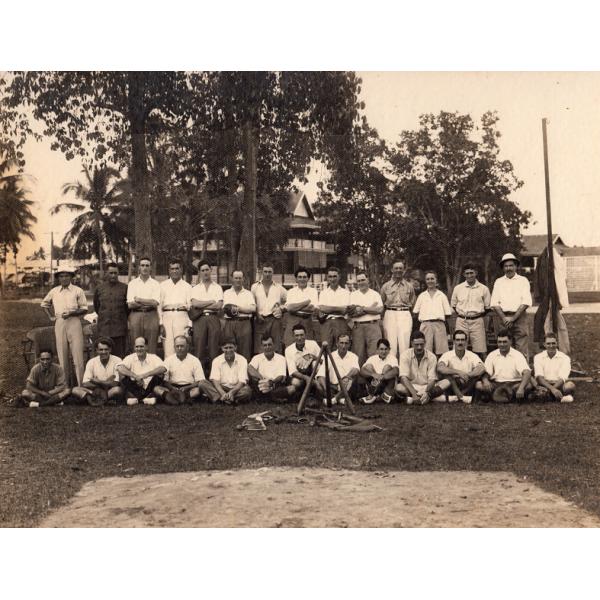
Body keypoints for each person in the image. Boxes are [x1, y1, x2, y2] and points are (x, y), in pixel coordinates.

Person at [41, 267, 88, 386]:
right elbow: (44, 304)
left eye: (67, 276)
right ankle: (65, 386)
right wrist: (51, 317)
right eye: (61, 276)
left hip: (74, 322)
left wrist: (72, 313)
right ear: (58, 278)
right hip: (60, 322)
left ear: (71, 277)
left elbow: (84, 309)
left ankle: (81, 386)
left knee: (77, 356)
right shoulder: (54, 291)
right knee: (62, 355)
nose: (64, 278)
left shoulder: (78, 290)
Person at [490, 253, 532, 361]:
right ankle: (507, 372)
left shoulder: (523, 280)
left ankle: (523, 372)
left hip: (520, 317)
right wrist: (504, 318)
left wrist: (513, 318)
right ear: (503, 268)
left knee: (521, 345)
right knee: (504, 346)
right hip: (503, 318)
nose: (508, 268)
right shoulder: (498, 282)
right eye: (506, 266)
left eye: (511, 265)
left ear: (516, 266)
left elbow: (526, 302)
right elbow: (495, 303)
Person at [154, 335, 220, 404]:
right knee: (156, 389)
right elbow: (165, 381)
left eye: (182, 346)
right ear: (174, 347)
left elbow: (199, 381)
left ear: (187, 347)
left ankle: (173, 399)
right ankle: (182, 399)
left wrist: (187, 387)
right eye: (177, 346)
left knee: (198, 390)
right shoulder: (168, 360)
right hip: (172, 388)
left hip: (189, 388)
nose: (179, 348)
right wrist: (172, 388)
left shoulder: (195, 360)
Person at [477, 329, 533, 403]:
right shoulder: (492, 355)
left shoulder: (518, 355)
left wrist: (521, 388)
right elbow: (486, 372)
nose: (502, 344)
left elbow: (527, 372)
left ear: (510, 342)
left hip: (513, 384)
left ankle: (496, 397)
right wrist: (485, 380)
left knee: (528, 385)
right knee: (479, 385)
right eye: (499, 342)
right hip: (497, 384)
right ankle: (510, 398)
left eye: (504, 342)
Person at [450, 263, 491, 359]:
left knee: (480, 348)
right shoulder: (458, 288)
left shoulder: (483, 289)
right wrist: (463, 315)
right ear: (464, 275)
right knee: (458, 347)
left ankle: (483, 370)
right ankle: (458, 368)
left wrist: (476, 316)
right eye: (467, 273)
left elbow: (487, 307)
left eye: (471, 273)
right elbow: (454, 305)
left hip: (477, 321)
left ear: (476, 273)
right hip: (461, 321)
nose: (469, 275)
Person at [396, 330, 446, 404]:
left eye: (421, 344)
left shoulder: (431, 356)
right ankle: (432, 398)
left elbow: (432, 379)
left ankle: (415, 398)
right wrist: (413, 393)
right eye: (416, 344)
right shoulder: (405, 355)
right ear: (412, 343)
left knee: (446, 382)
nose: (419, 347)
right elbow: (403, 378)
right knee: (399, 387)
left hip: (427, 387)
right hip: (412, 386)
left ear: (425, 343)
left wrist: (426, 392)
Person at [190, 260, 224, 369]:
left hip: (213, 318)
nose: (205, 272)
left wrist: (201, 305)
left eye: (207, 270)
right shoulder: (195, 288)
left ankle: (213, 376)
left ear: (211, 270)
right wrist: (210, 302)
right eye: (202, 270)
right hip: (199, 319)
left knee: (214, 349)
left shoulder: (217, 287)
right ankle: (200, 376)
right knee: (199, 348)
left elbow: (218, 306)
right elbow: (195, 303)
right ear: (199, 272)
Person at [72, 337, 124, 406]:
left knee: (117, 390)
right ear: (96, 350)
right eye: (101, 350)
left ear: (110, 350)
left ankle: (92, 400)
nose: (103, 352)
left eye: (106, 349)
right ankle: (102, 400)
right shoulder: (91, 362)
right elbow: (85, 383)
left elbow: (115, 383)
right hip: (95, 391)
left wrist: (98, 381)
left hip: (109, 391)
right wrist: (106, 383)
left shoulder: (117, 360)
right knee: (75, 390)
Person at [437, 330, 486, 403]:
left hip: (467, 383)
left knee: (478, 381)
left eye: (462, 340)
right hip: (453, 384)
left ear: (466, 342)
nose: (460, 342)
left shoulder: (472, 355)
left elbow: (481, 368)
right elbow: (440, 368)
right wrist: (458, 372)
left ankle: (456, 397)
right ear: (454, 341)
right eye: (457, 340)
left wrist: (468, 375)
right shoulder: (447, 355)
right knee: (447, 378)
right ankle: (463, 397)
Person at [380, 260, 416, 358]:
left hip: (404, 313)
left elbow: (413, 303)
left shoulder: (409, 286)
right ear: (392, 270)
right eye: (396, 268)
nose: (398, 270)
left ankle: (404, 370)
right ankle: (392, 367)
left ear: (404, 270)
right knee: (390, 342)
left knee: (404, 341)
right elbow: (382, 303)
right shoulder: (385, 286)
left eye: (401, 268)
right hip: (390, 313)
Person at [116, 336, 167, 405]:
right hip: (135, 387)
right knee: (122, 375)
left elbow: (163, 368)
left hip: (150, 387)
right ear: (134, 347)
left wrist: (144, 375)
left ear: (146, 347)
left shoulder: (153, 357)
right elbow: (120, 368)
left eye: (141, 346)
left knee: (160, 374)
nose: (139, 349)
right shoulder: (130, 357)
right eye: (137, 347)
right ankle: (147, 400)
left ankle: (136, 399)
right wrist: (136, 377)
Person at [93, 262, 128, 358]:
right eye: (111, 273)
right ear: (106, 273)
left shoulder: (125, 288)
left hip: (119, 329)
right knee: (104, 354)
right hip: (104, 328)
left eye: (115, 273)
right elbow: (97, 306)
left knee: (119, 356)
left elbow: (127, 308)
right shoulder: (99, 288)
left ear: (118, 273)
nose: (113, 275)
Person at [412, 271, 452, 356]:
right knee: (426, 350)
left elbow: (448, 313)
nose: (430, 281)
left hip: (439, 324)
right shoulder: (422, 296)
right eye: (428, 279)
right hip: (425, 324)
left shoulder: (441, 295)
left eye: (432, 279)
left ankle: (441, 367)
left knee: (442, 350)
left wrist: (437, 317)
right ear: (426, 281)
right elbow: (415, 312)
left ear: (436, 280)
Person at [127, 257, 161, 354]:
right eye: (142, 265)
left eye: (147, 265)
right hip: (135, 316)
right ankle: (136, 367)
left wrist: (139, 299)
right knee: (136, 343)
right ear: (139, 267)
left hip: (151, 316)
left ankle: (151, 367)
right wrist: (148, 302)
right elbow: (130, 304)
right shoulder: (132, 284)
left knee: (151, 344)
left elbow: (155, 303)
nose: (145, 268)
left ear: (151, 268)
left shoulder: (155, 284)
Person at [349, 271, 384, 365]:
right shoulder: (353, 295)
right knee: (358, 355)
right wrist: (370, 308)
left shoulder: (375, 294)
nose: (361, 282)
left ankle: (375, 378)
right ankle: (360, 379)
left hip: (373, 326)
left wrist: (362, 308)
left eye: (363, 280)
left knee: (374, 354)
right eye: (359, 280)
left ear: (368, 280)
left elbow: (379, 310)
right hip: (358, 327)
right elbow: (352, 313)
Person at [251, 263, 287, 354]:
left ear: (273, 272)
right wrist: (257, 314)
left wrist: (281, 309)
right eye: (265, 272)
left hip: (274, 319)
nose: (267, 274)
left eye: (269, 272)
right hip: (260, 319)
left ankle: (277, 366)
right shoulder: (254, 287)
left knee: (276, 345)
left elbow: (289, 300)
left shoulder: (279, 288)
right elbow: (252, 303)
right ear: (261, 272)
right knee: (260, 346)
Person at [159, 259, 192, 357]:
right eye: (172, 269)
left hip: (182, 317)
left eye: (177, 268)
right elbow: (159, 306)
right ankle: (168, 372)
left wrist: (189, 325)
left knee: (181, 346)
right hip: (167, 317)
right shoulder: (162, 286)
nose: (174, 271)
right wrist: (161, 324)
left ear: (181, 270)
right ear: (169, 271)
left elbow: (191, 308)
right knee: (168, 350)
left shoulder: (187, 286)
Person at [316, 333, 359, 405]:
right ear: (337, 344)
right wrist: (326, 389)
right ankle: (340, 398)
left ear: (349, 344)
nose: (343, 346)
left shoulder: (353, 356)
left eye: (346, 343)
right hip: (332, 386)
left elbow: (356, 370)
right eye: (341, 343)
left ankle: (334, 399)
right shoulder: (330, 356)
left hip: (346, 385)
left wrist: (346, 377)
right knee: (318, 383)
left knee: (350, 380)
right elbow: (321, 375)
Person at [248, 335, 295, 402]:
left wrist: (270, 383)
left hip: (275, 385)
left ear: (274, 345)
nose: (267, 347)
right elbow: (250, 368)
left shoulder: (281, 358)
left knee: (292, 389)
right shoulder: (257, 358)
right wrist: (262, 379)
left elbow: (280, 376)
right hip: (261, 385)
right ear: (262, 347)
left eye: (269, 344)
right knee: (260, 387)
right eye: (265, 345)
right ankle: (273, 398)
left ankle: (266, 397)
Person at [532, 332, 575, 403]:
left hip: (559, 384)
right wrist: (552, 389)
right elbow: (539, 378)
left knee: (570, 385)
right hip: (544, 385)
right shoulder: (538, 357)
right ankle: (560, 398)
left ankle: (550, 396)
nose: (551, 346)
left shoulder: (565, 358)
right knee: (540, 392)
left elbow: (562, 378)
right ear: (544, 344)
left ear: (557, 343)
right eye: (548, 343)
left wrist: (553, 389)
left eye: (553, 343)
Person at [222, 270, 256, 360]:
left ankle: (244, 373)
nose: (238, 280)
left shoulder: (248, 293)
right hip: (229, 323)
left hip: (244, 323)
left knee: (245, 351)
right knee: (230, 350)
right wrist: (244, 309)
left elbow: (252, 309)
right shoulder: (226, 293)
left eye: (240, 278)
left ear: (243, 279)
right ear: (232, 279)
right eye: (236, 278)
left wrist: (238, 308)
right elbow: (224, 309)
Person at [283, 267, 319, 346]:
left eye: (304, 277)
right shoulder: (291, 292)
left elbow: (311, 308)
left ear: (308, 278)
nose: (302, 279)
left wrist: (295, 307)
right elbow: (289, 308)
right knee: (290, 345)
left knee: (307, 346)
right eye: (299, 277)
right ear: (296, 279)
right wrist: (306, 302)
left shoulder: (313, 291)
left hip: (306, 321)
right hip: (292, 320)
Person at [209, 339, 252, 404]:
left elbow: (242, 381)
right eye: (226, 348)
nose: (228, 350)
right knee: (203, 383)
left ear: (235, 348)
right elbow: (215, 381)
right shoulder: (216, 360)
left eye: (230, 347)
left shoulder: (242, 360)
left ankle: (221, 399)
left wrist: (232, 392)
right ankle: (231, 399)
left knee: (247, 391)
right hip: (222, 387)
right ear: (222, 349)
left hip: (237, 388)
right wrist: (223, 393)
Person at [318, 266, 351, 350]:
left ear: (339, 277)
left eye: (334, 276)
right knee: (326, 348)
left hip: (341, 322)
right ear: (327, 278)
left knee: (341, 348)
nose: (332, 279)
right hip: (326, 323)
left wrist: (329, 309)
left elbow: (344, 310)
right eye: (330, 276)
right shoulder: (323, 293)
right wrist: (338, 308)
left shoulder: (345, 293)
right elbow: (322, 308)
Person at [285, 323, 321, 397]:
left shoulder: (313, 344)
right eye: (297, 335)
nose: (299, 338)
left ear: (305, 335)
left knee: (315, 363)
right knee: (296, 383)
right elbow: (293, 372)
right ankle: (306, 391)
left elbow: (323, 361)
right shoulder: (288, 350)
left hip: (313, 373)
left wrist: (313, 357)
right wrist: (306, 378)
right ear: (293, 336)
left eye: (302, 335)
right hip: (299, 375)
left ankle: (315, 388)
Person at [359, 338, 399, 404]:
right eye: (381, 349)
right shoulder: (372, 358)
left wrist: (382, 376)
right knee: (368, 366)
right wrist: (373, 374)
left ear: (389, 350)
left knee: (387, 367)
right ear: (377, 349)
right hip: (373, 383)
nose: (384, 352)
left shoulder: (392, 358)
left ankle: (373, 396)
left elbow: (396, 371)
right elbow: (362, 371)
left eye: (386, 349)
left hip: (386, 383)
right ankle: (379, 395)